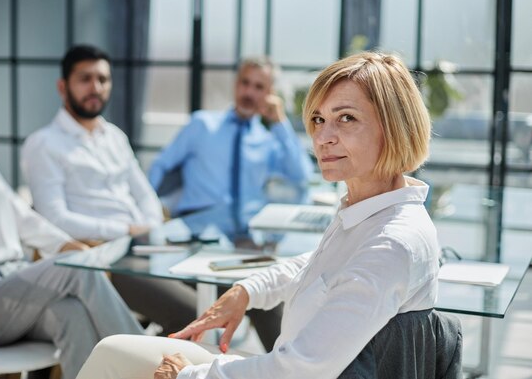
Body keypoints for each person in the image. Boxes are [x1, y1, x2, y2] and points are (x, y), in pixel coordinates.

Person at [75, 51, 439, 379]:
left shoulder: (389, 241)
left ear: (394, 127)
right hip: (198, 243)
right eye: (317, 119)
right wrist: (247, 290)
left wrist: (191, 376)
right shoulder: (369, 213)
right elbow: (320, 266)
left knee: (113, 356)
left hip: (289, 367)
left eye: (346, 118)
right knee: (115, 350)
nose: (323, 137)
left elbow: (298, 368)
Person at [0, 56, 144, 379]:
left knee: (71, 313)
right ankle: (153, 364)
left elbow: (23, 219)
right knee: (79, 270)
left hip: (10, 284)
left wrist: (67, 245)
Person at [21, 45, 197, 335]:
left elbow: (145, 195)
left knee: (216, 290)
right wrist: (126, 229)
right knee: (192, 312)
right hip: (99, 259)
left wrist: (149, 226)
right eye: (85, 79)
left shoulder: (114, 136)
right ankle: (141, 366)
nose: (96, 87)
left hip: (142, 248)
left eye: (103, 79)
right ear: (62, 86)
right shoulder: (44, 144)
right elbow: (55, 219)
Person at [148, 56, 313, 228]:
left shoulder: (267, 140)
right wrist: (149, 211)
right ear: (236, 84)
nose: (249, 92)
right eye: (245, 83)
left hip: (247, 229)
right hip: (197, 224)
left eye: (259, 87)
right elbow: (161, 164)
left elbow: (301, 175)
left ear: (270, 93)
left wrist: (280, 122)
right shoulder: (202, 125)